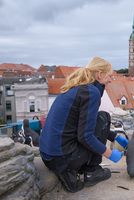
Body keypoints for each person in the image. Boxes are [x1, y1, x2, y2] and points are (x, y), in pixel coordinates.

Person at [39, 56, 128, 193]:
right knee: (104, 117)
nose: (111, 79)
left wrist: (114, 136)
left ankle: (71, 172)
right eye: (109, 76)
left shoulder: (77, 88)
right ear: (99, 74)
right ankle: (91, 171)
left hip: (48, 156)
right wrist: (110, 154)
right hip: (63, 157)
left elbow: (86, 124)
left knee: (100, 118)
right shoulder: (91, 92)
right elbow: (86, 136)